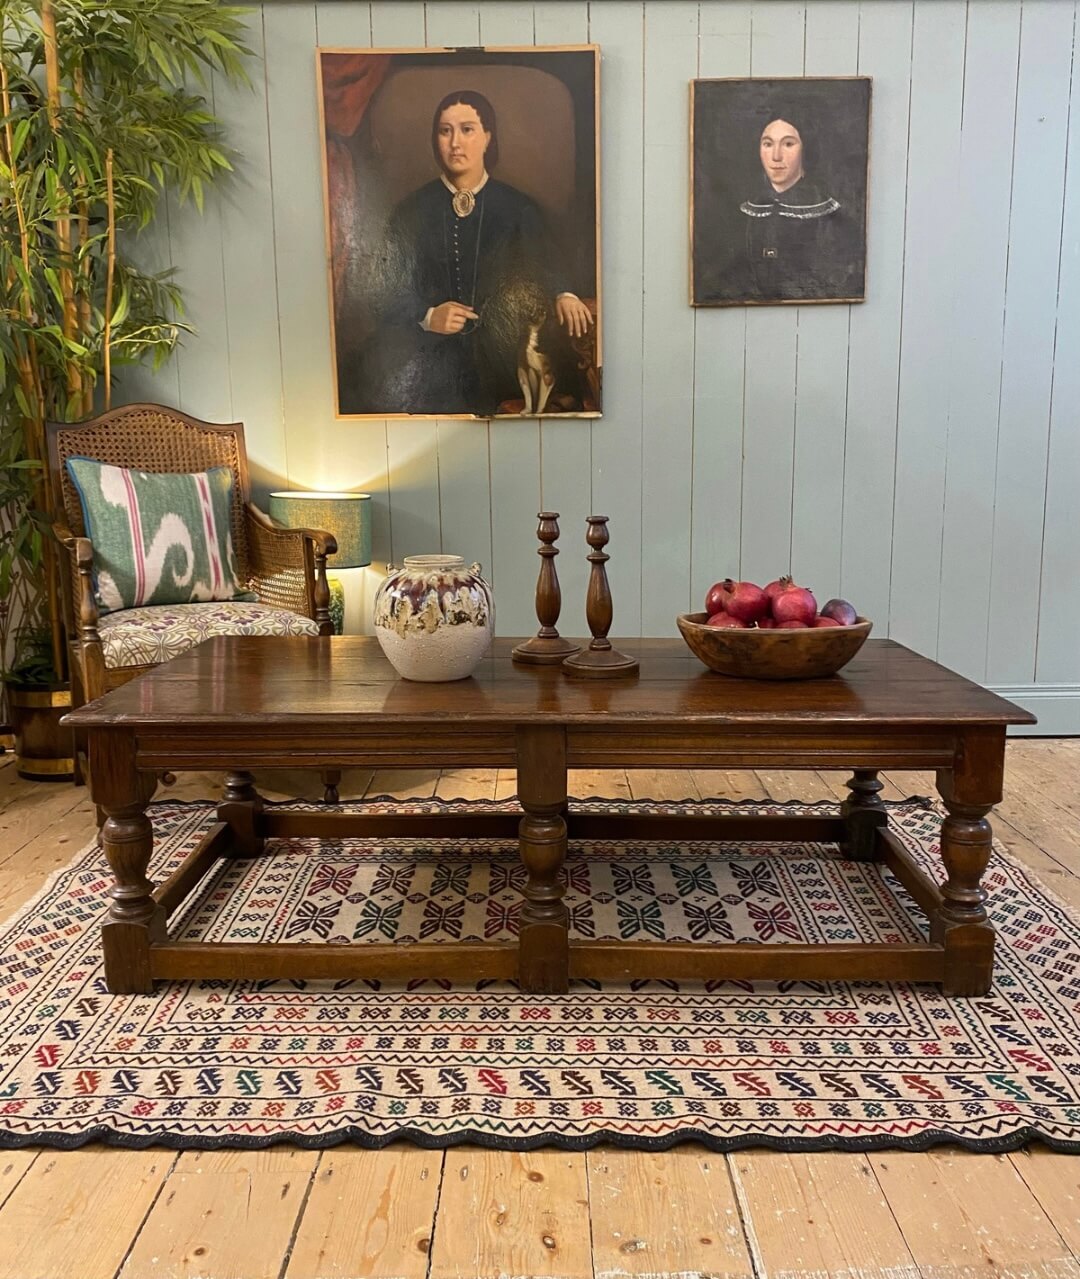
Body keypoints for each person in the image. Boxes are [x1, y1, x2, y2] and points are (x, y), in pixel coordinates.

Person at [352, 89, 591, 416]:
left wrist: (565, 293)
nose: (455, 143)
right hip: (431, 360)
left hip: (502, 359)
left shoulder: (517, 207)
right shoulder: (411, 211)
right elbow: (383, 292)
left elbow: (545, 262)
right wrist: (428, 316)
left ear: (488, 137)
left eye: (467, 130)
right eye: (445, 131)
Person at [738, 116, 855, 301]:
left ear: (805, 149)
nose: (776, 156)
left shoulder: (830, 217)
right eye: (768, 144)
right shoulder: (746, 211)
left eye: (788, 144)